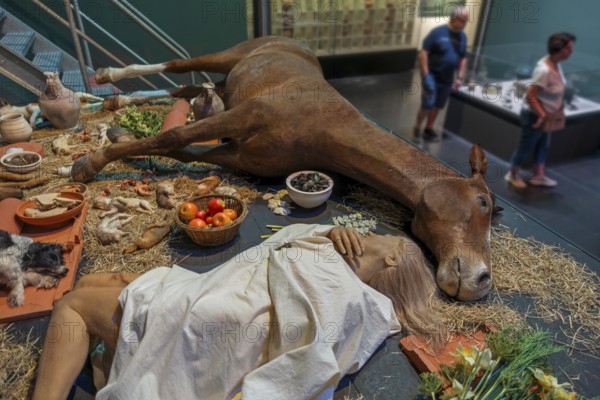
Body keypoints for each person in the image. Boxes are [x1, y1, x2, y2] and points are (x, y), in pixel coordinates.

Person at [32, 224, 445, 400]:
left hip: (218, 317)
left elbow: (313, 357)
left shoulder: (356, 298)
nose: (369, 233)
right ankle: (109, 346)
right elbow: (276, 247)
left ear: (393, 260)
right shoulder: (334, 255)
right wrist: (320, 235)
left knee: (73, 304)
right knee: (98, 282)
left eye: (382, 236)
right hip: (218, 288)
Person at [505, 32, 576, 188]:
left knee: (543, 145)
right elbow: (530, 95)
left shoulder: (556, 66)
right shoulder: (544, 70)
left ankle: (538, 175)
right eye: (569, 48)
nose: (571, 52)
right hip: (534, 116)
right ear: (559, 48)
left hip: (547, 115)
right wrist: (542, 115)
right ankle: (512, 174)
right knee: (526, 146)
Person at [414, 6, 469, 142]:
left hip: (447, 77)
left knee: (438, 104)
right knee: (428, 102)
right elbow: (424, 54)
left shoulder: (463, 37)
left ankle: (429, 128)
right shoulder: (437, 33)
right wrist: (425, 74)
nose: (464, 24)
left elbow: (462, 58)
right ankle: (417, 127)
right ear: (453, 18)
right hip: (432, 75)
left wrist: (460, 77)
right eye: (462, 20)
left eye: (466, 21)